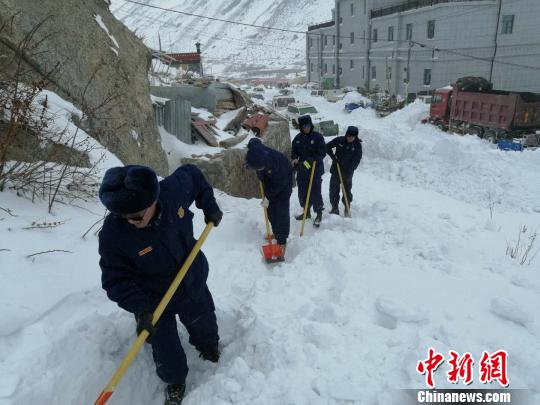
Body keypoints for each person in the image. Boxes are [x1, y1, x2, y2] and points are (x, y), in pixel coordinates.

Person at [98, 164, 223, 405]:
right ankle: (175, 382)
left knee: (203, 321)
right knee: (165, 349)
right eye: (123, 215)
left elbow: (194, 174)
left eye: (135, 215)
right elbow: (114, 279)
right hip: (153, 298)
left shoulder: (172, 191)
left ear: (152, 200)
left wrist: (210, 206)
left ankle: (208, 346)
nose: (130, 221)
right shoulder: (113, 234)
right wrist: (141, 308)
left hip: (190, 278)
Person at [245, 138, 293, 255]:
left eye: (259, 168)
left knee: (280, 212)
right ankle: (276, 233)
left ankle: (282, 241)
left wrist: (268, 197)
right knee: (270, 211)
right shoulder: (256, 151)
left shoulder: (276, 163)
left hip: (283, 184)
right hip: (269, 182)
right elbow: (254, 141)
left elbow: (280, 184)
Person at [291, 115, 326, 227]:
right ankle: (306, 212)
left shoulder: (318, 137)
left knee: (315, 192)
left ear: (311, 125)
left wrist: (307, 163)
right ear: (300, 127)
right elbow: (294, 151)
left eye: (308, 125)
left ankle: (319, 213)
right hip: (302, 170)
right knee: (302, 193)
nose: (306, 128)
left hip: (315, 168)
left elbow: (321, 153)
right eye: (303, 126)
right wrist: (295, 158)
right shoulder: (297, 139)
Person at [326, 126, 363, 216]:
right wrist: (333, 157)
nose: (350, 138)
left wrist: (349, 169)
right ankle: (335, 208)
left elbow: (357, 159)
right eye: (349, 136)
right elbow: (327, 146)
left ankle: (347, 207)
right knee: (334, 190)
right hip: (336, 169)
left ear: (356, 137)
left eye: (353, 137)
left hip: (348, 172)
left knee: (346, 190)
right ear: (346, 134)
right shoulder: (340, 140)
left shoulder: (357, 145)